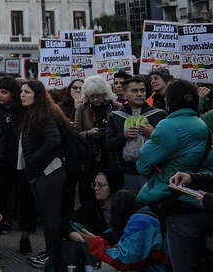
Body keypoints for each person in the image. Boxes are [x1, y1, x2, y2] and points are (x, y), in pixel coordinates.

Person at [135, 79, 213, 272]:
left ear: (168, 101)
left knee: (184, 267)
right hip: (203, 202)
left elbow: (143, 164)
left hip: (181, 206)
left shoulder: (168, 126)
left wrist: (157, 165)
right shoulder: (203, 125)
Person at [19, 79, 70, 270]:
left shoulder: (45, 114)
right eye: (22, 91)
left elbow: (54, 141)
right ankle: (50, 253)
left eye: (27, 92)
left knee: (52, 217)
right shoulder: (35, 112)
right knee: (49, 217)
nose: (22, 95)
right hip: (41, 173)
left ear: (38, 95)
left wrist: (32, 159)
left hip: (50, 172)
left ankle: (53, 256)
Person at [0, 75, 37, 256]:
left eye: (4, 92)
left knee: (26, 202)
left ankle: (25, 238)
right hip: (1, 163)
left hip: (22, 163)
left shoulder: (25, 112)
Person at [51, 169, 122, 270]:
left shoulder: (123, 206)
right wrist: (71, 233)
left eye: (101, 185)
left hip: (114, 251)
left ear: (112, 186)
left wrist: (94, 239)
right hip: (93, 247)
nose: (96, 188)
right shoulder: (92, 205)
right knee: (76, 226)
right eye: (94, 184)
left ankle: (91, 262)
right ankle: (92, 262)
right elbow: (66, 221)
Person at [105, 75, 167, 190]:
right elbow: (109, 145)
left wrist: (153, 134)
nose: (139, 94)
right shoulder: (115, 116)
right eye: (134, 91)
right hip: (127, 172)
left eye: (142, 90)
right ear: (124, 94)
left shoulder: (159, 114)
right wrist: (123, 136)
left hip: (153, 171)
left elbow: (168, 144)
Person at [88, 189, 171, 271]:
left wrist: (94, 242)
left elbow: (126, 259)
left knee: (107, 268)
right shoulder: (148, 215)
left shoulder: (139, 221)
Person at [73, 76, 121, 204]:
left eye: (98, 96)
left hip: (111, 154)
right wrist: (89, 133)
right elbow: (76, 133)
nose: (94, 99)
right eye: (91, 96)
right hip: (90, 156)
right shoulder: (82, 108)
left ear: (105, 94)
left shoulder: (116, 107)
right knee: (90, 192)